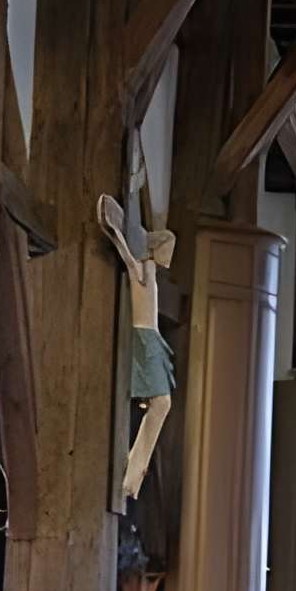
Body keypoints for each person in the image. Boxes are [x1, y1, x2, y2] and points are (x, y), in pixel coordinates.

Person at [97, 193, 175, 501]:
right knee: (162, 404)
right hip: (146, 340)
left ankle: (133, 476)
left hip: (151, 340)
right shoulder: (143, 271)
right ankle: (132, 477)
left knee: (162, 405)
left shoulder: (150, 273)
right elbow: (129, 262)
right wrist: (114, 232)